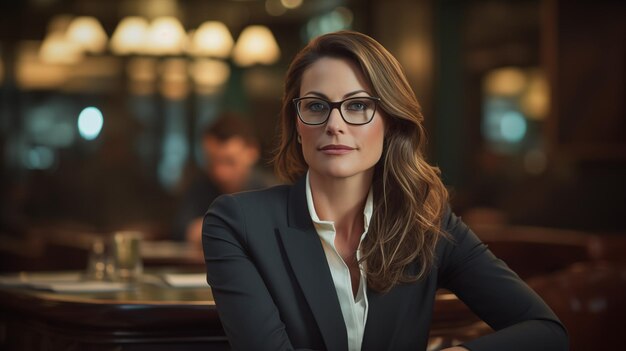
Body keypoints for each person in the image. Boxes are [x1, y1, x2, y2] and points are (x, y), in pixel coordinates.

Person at [202, 31, 568, 351]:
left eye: (358, 105)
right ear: (296, 125)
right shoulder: (237, 223)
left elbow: (546, 333)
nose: (334, 125)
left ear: (390, 122)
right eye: (315, 106)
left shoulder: (428, 223)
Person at [174, 113, 267, 246]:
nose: (220, 173)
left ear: (252, 152)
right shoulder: (199, 188)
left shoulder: (270, 191)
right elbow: (181, 230)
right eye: (212, 162)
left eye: (229, 162)